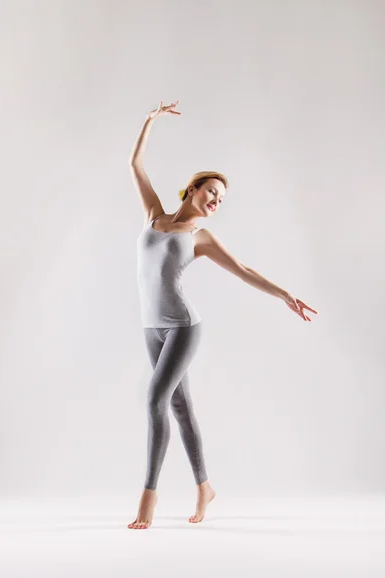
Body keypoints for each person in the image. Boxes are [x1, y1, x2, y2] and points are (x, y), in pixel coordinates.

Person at [127, 101, 318, 530]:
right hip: (150, 327)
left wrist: (285, 294)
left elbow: (245, 271)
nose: (216, 200)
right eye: (211, 191)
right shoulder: (154, 216)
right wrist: (149, 120)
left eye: (222, 198)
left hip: (182, 328)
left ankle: (147, 499)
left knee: (155, 400)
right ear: (192, 189)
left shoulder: (201, 237)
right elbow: (135, 163)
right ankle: (205, 487)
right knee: (179, 406)